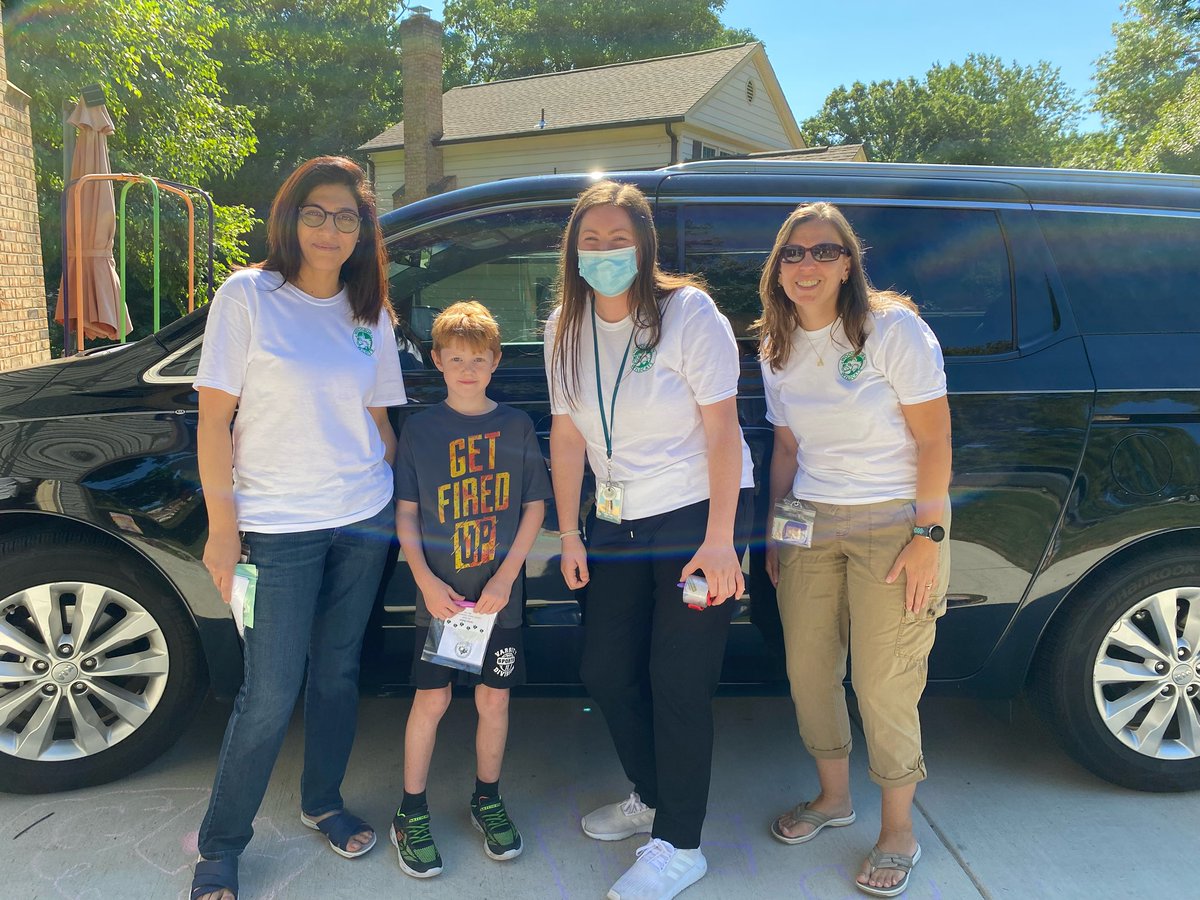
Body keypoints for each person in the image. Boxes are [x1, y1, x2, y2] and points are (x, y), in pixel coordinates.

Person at [190, 156, 407, 900]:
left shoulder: (369, 309)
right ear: (290, 216)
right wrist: (225, 530)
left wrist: (402, 509)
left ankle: (323, 802)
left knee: (339, 674)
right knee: (270, 692)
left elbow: (378, 421)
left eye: (346, 216)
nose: (329, 228)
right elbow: (214, 420)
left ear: (362, 229)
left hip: (363, 520)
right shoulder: (249, 295)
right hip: (277, 529)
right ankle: (220, 846)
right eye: (315, 212)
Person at [545, 180, 755, 900]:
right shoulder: (562, 328)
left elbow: (723, 429)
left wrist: (723, 539)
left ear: (645, 246)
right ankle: (652, 796)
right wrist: (570, 531)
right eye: (590, 239)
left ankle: (681, 844)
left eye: (618, 239)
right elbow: (568, 432)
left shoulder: (687, 313)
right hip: (614, 519)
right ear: (573, 248)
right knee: (605, 669)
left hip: (697, 515)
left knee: (679, 680)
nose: (603, 252)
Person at [756, 202, 951, 898]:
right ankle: (834, 799)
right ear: (778, 267)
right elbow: (786, 445)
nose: (807, 265)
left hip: (894, 524)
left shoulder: (892, 329)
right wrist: (778, 530)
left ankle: (898, 829)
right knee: (809, 672)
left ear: (848, 264)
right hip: (810, 521)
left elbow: (934, 441)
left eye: (824, 252)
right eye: (794, 252)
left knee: (883, 682)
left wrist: (928, 539)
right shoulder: (775, 345)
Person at [390, 301, 552, 879]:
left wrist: (507, 577)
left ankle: (487, 797)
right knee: (431, 700)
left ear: (495, 362)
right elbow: (405, 514)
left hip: (496, 598)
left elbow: (535, 506)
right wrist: (425, 581)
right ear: (436, 360)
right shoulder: (421, 429)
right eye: (455, 358)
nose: (466, 369)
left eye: (477, 359)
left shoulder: (514, 426)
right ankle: (410, 811)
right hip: (442, 597)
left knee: (493, 699)